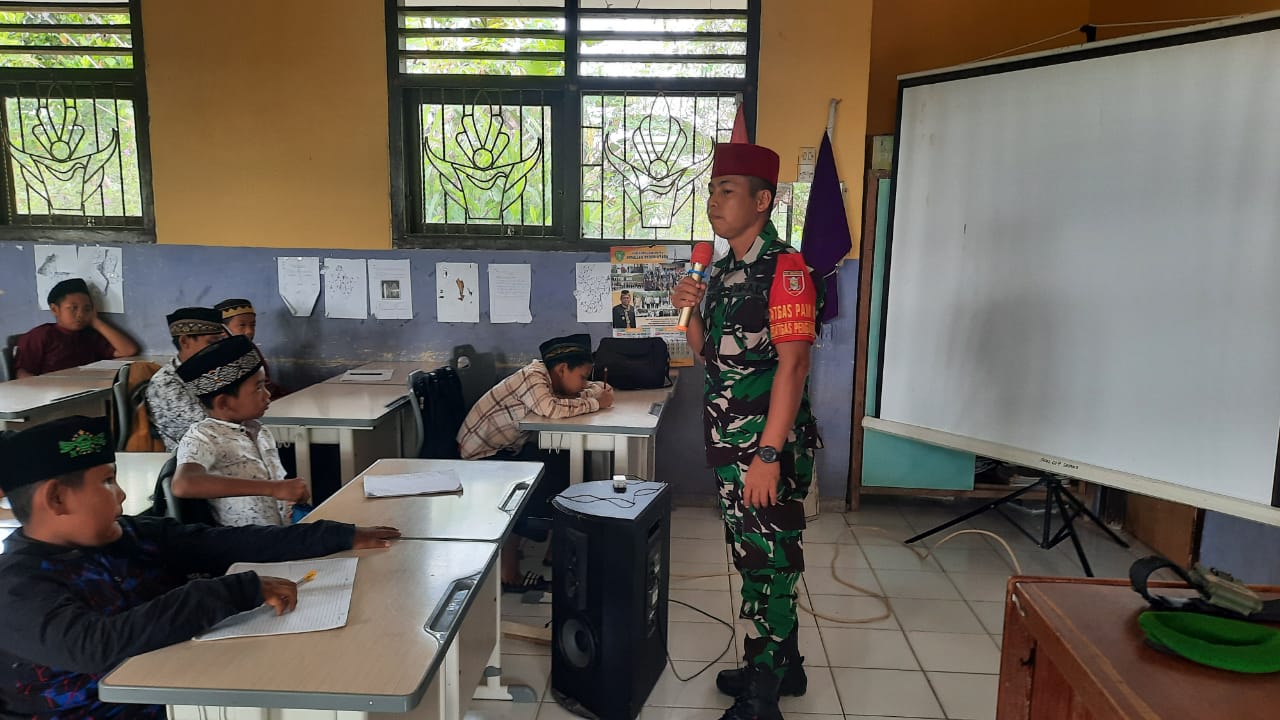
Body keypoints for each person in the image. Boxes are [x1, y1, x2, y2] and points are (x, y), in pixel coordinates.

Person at [0, 415, 400, 720]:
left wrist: (339, 536)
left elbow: (225, 541)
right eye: (107, 481)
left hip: (181, 696)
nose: (121, 493)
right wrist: (228, 592)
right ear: (56, 500)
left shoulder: (133, 535)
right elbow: (95, 646)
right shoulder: (15, 585)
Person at [670, 142, 822, 720]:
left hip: (764, 448)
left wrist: (768, 454)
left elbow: (794, 366)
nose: (713, 201)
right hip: (730, 444)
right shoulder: (725, 268)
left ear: (764, 200)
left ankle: (764, 692)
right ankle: (787, 665)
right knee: (754, 555)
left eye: (726, 191)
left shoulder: (785, 270)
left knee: (769, 562)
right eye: (711, 190)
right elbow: (711, 354)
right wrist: (690, 309)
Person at [457, 334, 613, 592]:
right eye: (583, 376)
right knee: (539, 478)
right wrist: (596, 401)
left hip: (505, 449)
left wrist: (593, 390)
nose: (585, 381)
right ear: (562, 369)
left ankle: (557, 545)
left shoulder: (551, 376)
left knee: (565, 459)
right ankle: (509, 571)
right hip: (482, 457)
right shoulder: (533, 377)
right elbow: (552, 409)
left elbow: (580, 391)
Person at [171, 336, 310, 526]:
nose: (267, 395)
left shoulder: (260, 432)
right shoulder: (203, 437)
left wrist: (290, 497)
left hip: (280, 535)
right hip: (246, 546)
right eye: (259, 388)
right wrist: (273, 488)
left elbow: (277, 491)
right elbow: (183, 484)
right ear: (223, 402)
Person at [15, 278, 138, 377]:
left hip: (87, 391)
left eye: (87, 309)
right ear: (54, 309)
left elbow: (128, 350)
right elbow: (22, 373)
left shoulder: (89, 335)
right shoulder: (41, 335)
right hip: (52, 396)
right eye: (73, 308)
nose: (80, 314)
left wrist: (95, 322)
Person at [146, 307, 227, 452]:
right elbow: (210, 430)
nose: (218, 349)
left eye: (220, 343)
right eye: (212, 343)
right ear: (184, 342)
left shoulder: (213, 371)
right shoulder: (165, 384)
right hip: (192, 462)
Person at [214, 298, 285, 398]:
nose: (249, 331)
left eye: (253, 325)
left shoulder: (249, 348)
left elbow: (265, 383)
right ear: (223, 329)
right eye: (242, 325)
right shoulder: (218, 356)